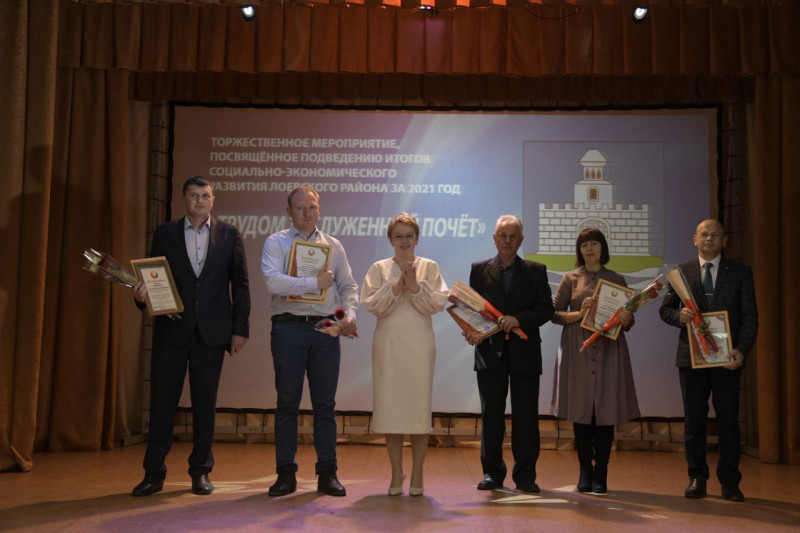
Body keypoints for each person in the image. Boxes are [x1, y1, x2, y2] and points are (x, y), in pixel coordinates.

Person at [131, 176, 251, 497]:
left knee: (204, 406)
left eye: (205, 195)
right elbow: (153, 277)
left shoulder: (229, 234)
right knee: (161, 405)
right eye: (194, 195)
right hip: (172, 331)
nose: (200, 200)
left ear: (213, 200)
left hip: (211, 334)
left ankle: (200, 471)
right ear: (183, 199)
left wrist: (240, 329)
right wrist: (142, 297)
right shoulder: (165, 233)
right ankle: (153, 473)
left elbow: (240, 284)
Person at [261, 185, 358, 497]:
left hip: (325, 327)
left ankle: (327, 473)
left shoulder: (333, 246)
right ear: (288, 211)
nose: (307, 213)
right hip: (288, 327)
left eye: (312, 207)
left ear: (320, 209)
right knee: (287, 403)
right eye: (300, 208)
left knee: (325, 405)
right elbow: (272, 281)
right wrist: (313, 282)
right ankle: (285, 474)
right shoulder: (276, 242)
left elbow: (348, 287)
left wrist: (349, 314)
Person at [659, 219, 758, 502]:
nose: (709, 239)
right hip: (691, 358)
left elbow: (750, 317)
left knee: (728, 421)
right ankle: (697, 478)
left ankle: (730, 482)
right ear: (695, 239)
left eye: (715, 235)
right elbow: (665, 311)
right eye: (704, 234)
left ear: (725, 240)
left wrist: (741, 350)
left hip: (727, 359)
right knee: (694, 421)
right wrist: (680, 316)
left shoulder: (740, 273)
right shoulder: (681, 272)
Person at [464, 214, 554, 493]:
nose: (507, 240)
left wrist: (519, 320)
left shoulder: (536, 270)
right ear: (494, 239)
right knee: (491, 417)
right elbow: (470, 310)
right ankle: (492, 474)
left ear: (521, 240)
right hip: (489, 354)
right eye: (502, 235)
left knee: (526, 418)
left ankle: (525, 476)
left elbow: (546, 309)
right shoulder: (478, 270)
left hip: (525, 354)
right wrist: (469, 330)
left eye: (513, 236)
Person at [361, 213, 448, 497]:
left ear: (417, 238)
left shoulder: (429, 267)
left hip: (419, 346)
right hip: (389, 345)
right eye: (398, 236)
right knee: (392, 410)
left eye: (409, 235)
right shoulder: (379, 268)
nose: (404, 241)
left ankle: (418, 472)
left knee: (417, 410)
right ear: (390, 239)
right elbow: (374, 306)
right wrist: (397, 287)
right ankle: (396, 471)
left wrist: (415, 288)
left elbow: (436, 304)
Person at [550, 228, 640, 494]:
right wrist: (580, 313)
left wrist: (627, 319)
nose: (589, 249)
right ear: (579, 250)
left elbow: (629, 319)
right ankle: (584, 470)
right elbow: (554, 314)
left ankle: (601, 471)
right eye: (584, 245)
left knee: (605, 411)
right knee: (581, 412)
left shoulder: (617, 278)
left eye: (594, 244)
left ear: (603, 248)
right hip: (578, 348)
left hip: (609, 349)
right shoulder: (570, 278)